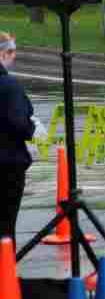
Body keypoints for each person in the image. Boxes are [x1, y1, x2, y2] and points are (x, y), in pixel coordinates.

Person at [0, 32, 35, 250]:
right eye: (11, 52)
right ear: (3, 53)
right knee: (5, 227)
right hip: (7, 166)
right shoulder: (9, 86)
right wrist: (32, 129)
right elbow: (20, 124)